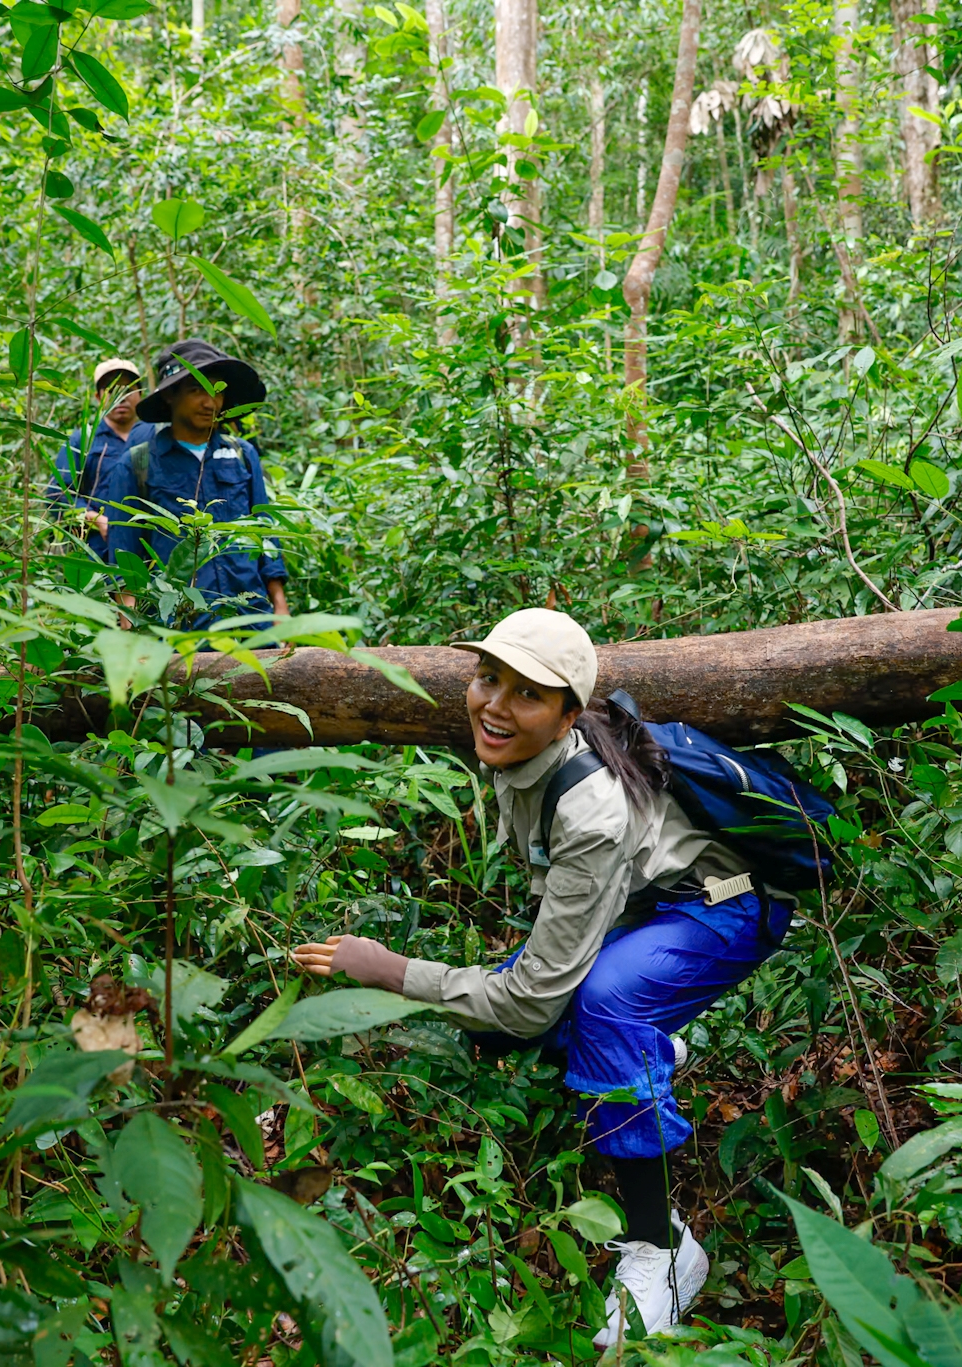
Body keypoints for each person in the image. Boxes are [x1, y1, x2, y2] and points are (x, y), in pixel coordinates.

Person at [292, 609, 789, 1347]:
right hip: (647, 909)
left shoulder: (589, 805)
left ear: (566, 715)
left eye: (526, 693)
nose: (494, 705)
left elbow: (527, 1003)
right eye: (487, 678)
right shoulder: (521, 751)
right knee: (526, 1012)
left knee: (597, 1005)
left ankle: (665, 1248)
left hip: (728, 907)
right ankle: (646, 1057)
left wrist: (391, 969)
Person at [107, 339, 289, 628]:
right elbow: (124, 556)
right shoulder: (137, 464)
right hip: (177, 624)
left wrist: (280, 606)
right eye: (196, 390)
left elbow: (264, 529)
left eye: (216, 392)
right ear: (170, 396)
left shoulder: (242, 454)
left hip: (251, 619)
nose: (209, 403)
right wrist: (130, 623)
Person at [44, 357, 141, 561]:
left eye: (128, 389)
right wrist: (97, 520)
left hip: (147, 550)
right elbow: (58, 494)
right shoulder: (84, 439)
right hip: (97, 552)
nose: (121, 397)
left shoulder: (153, 438)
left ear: (140, 395)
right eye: (111, 389)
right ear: (98, 397)